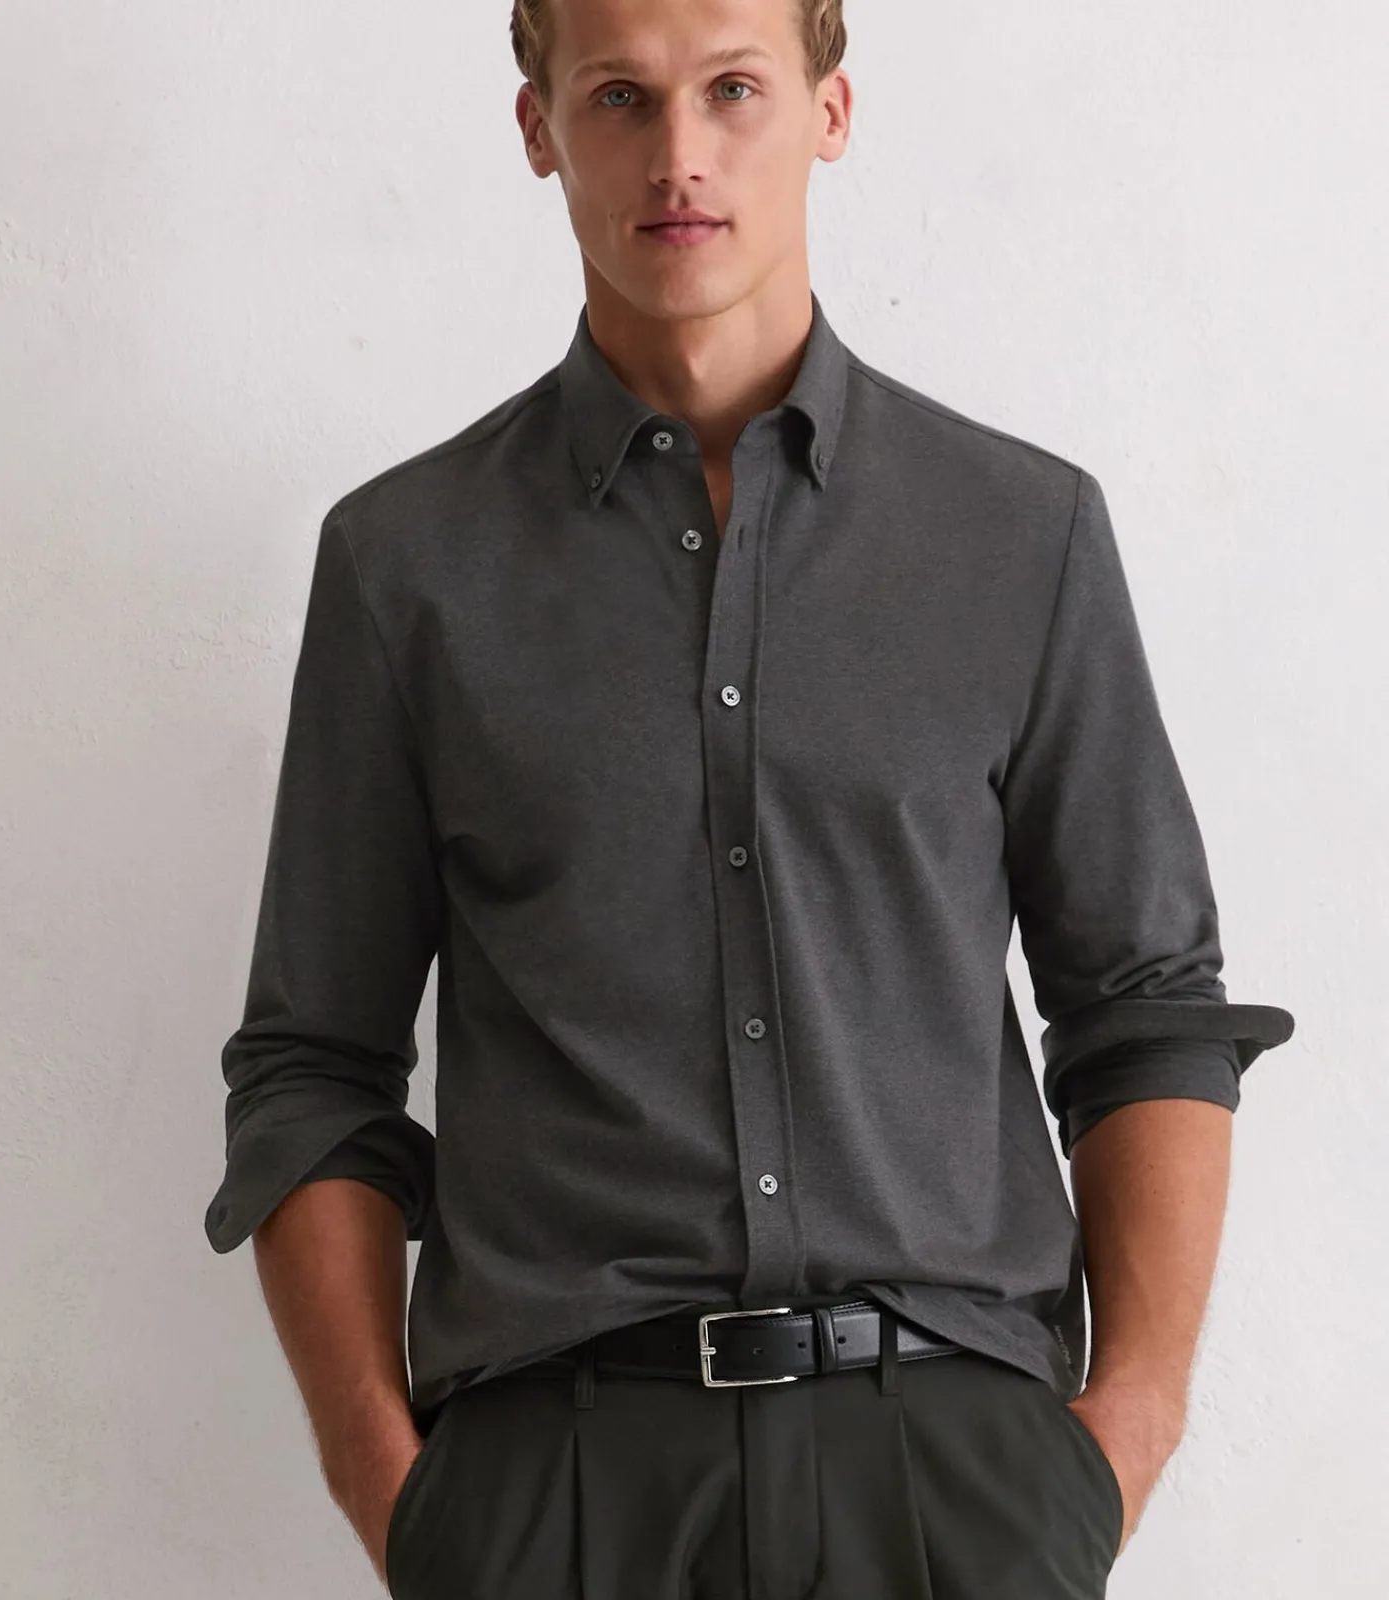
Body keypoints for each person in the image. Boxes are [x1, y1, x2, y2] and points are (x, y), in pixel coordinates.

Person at [203, 1, 1295, 1595]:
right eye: (620, 99)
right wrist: (401, 1496)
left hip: (955, 1474)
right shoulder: (406, 568)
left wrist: (1120, 1435)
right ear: (539, 130)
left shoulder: (1019, 534)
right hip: (561, 1488)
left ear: (830, 110)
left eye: (733, 88)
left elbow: (1146, 1008)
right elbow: (314, 1063)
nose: (680, 155)